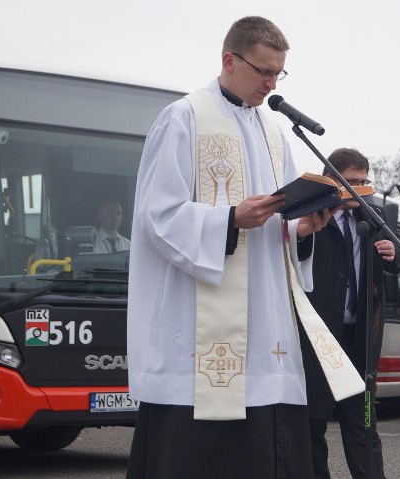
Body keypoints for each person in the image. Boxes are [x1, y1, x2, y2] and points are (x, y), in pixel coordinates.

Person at [126, 16, 337, 479]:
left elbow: (278, 217)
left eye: (279, 73)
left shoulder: (274, 131)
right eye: (263, 71)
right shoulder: (183, 117)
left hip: (265, 327)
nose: (271, 83)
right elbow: (156, 218)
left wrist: (301, 230)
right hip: (198, 328)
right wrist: (228, 219)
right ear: (229, 60)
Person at [297, 148, 400, 479]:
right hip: (317, 339)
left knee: (363, 424)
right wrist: (304, 233)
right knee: (313, 424)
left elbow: (396, 264)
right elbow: (292, 257)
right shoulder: (311, 217)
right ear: (331, 180)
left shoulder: (373, 218)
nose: (359, 187)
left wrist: (392, 253)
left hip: (358, 341)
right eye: (350, 181)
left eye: (363, 181)